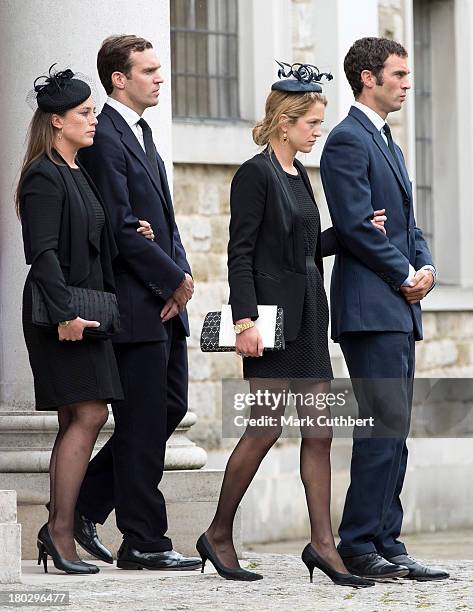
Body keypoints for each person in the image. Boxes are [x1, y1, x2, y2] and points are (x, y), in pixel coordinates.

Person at [196, 63, 387, 586]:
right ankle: (217, 533)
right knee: (264, 429)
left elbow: (305, 250)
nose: (317, 131)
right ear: (285, 121)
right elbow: (240, 255)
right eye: (311, 123)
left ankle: (323, 546)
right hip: (271, 324)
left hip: (310, 318)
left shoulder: (299, 174)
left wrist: (350, 231)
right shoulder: (254, 174)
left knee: (320, 431)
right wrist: (244, 321)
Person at [320, 37, 449, 581]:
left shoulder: (389, 144)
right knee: (379, 426)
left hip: (398, 306)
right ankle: (357, 542)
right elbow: (354, 227)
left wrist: (425, 269)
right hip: (369, 308)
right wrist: (402, 274)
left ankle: (387, 540)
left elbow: (406, 225)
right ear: (367, 78)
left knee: (396, 429)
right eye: (397, 73)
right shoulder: (347, 140)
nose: (406, 82)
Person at [74, 35, 201, 571]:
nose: (159, 77)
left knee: (166, 411)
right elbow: (125, 230)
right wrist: (171, 281)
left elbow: (162, 223)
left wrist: (182, 277)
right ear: (118, 79)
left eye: (159, 69)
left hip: (165, 302)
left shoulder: (144, 134)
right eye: (148, 70)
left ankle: (76, 507)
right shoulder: (105, 138)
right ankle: (144, 541)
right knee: (145, 422)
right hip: (134, 303)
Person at [17, 66, 128, 574]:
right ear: (56, 121)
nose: (94, 121)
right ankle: (60, 532)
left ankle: (58, 529)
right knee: (88, 415)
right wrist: (65, 314)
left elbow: (88, 240)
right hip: (59, 312)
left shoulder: (78, 171)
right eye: (85, 113)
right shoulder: (43, 173)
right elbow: (40, 253)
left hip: (87, 309)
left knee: (78, 417)